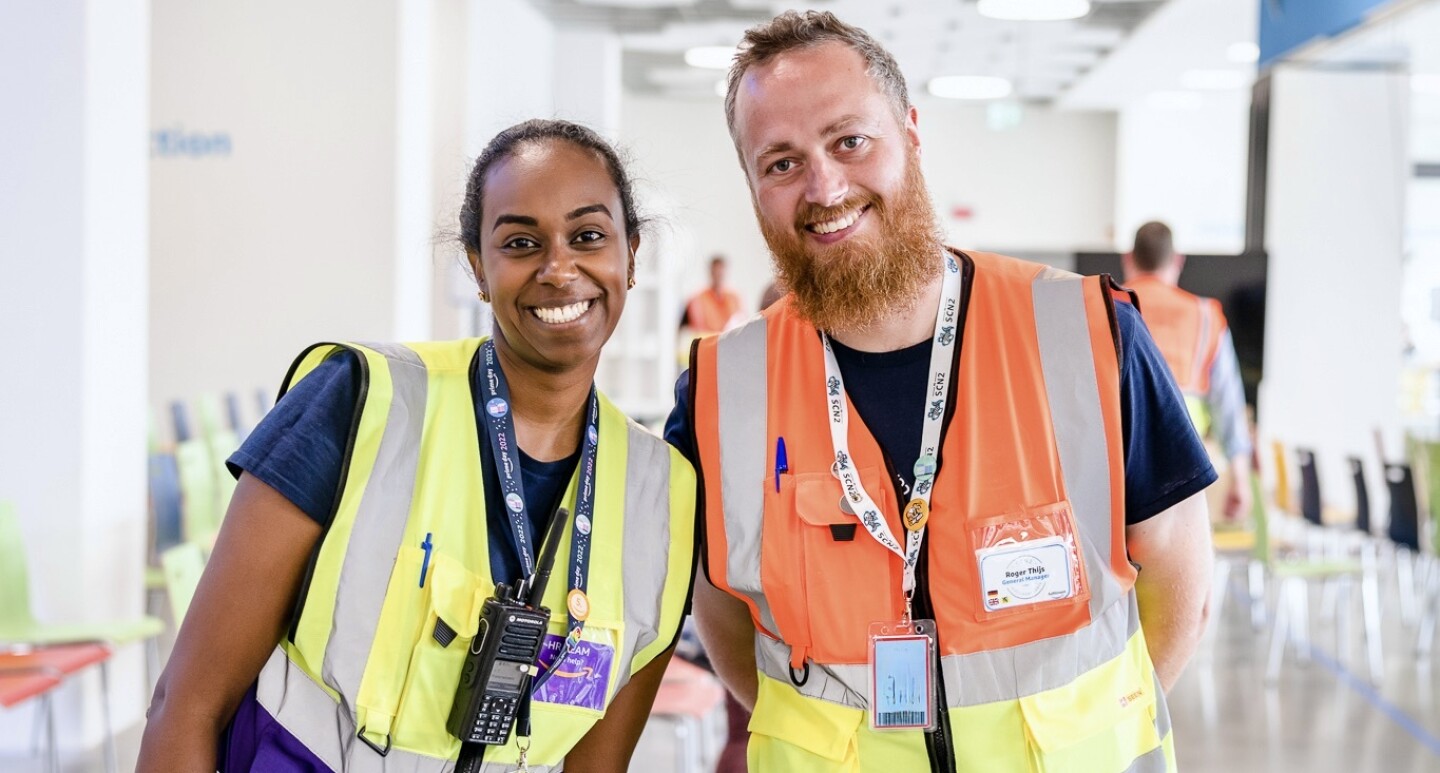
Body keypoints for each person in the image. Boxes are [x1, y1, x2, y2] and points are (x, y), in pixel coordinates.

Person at [663, 11, 1215, 772]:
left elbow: (1181, 578)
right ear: (754, 186)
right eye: (782, 162)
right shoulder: (721, 390)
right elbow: (723, 616)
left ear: (911, 134)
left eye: (849, 141)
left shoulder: (1087, 333)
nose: (825, 186)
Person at [137, 120, 697, 773]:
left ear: (631, 255)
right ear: (478, 267)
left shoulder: (666, 499)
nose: (558, 267)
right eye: (520, 242)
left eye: (589, 236)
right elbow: (187, 704)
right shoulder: (358, 402)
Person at [1122, 221, 1253, 522]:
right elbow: (1228, 403)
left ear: (1129, 259)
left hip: (1116, 466)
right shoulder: (1206, 316)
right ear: (1177, 260)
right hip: (1183, 469)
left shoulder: (1106, 307)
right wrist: (1240, 479)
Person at [682, 254, 746, 334]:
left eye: (720, 274)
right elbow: (698, 330)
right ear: (711, 273)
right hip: (708, 339)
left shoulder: (735, 298)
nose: (718, 276)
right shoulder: (697, 299)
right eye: (716, 273)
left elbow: (741, 322)